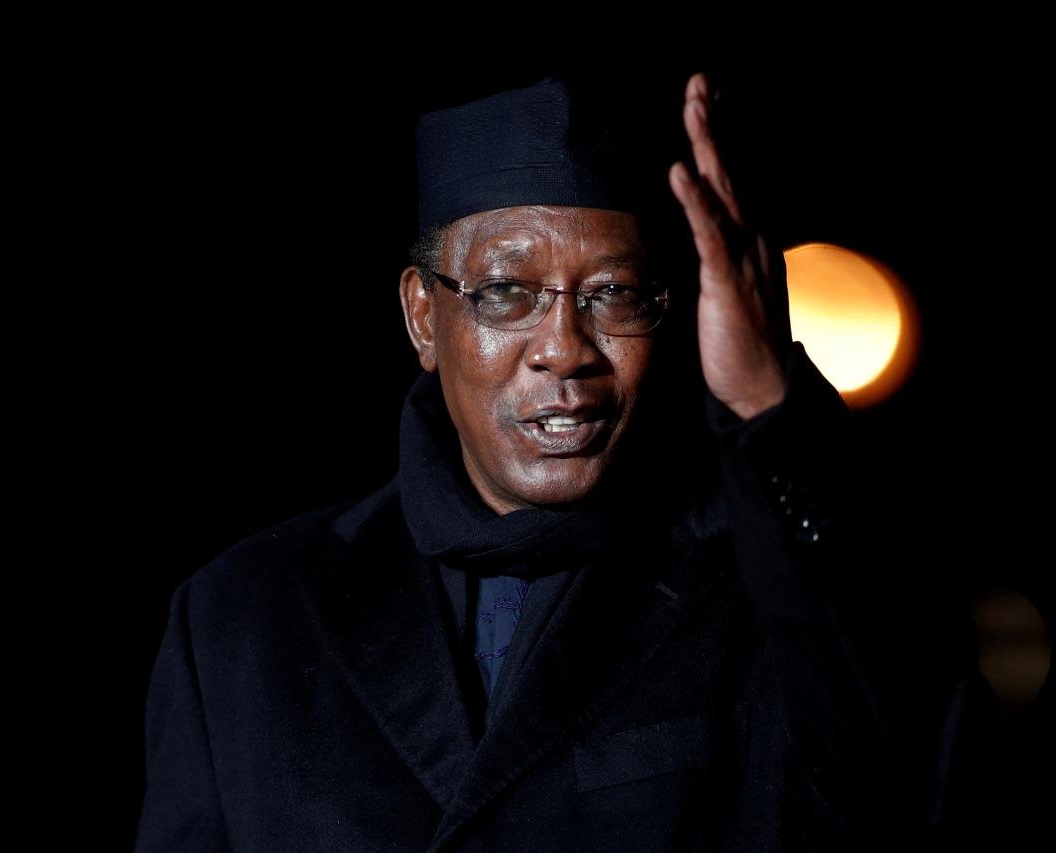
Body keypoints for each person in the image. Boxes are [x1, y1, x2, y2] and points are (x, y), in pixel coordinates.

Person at [134, 70, 997, 852]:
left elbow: (920, 781)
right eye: (507, 293)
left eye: (613, 295)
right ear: (424, 319)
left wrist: (767, 408)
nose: (564, 349)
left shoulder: (760, 587)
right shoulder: (241, 621)